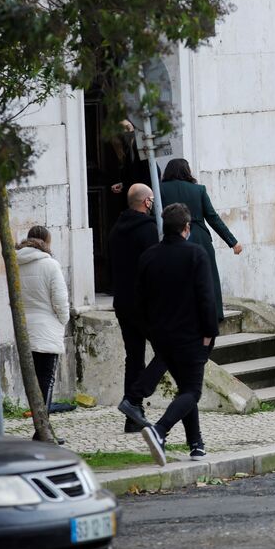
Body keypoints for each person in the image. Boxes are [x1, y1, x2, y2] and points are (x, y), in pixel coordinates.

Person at [128, 204, 219, 466]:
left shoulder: (149, 256)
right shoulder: (196, 254)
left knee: (184, 391)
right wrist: (209, 332)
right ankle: (160, 430)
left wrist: (150, 331)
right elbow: (206, 297)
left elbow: (140, 300)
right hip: (191, 336)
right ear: (186, 227)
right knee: (193, 391)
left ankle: (196, 443)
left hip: (161, 336)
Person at [109, 184, 164, 432]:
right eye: (152, 199)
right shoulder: (148, 229)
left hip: (122, 302)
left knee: (134, 357)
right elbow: (153, 268)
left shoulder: (115, 229)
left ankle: (132, 418)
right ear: (146, 202)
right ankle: (133, 399)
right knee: (169, 349)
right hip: (144, 305)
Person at [160, 159, 243, 322]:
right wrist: (233, 242)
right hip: (199, 237)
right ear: (186, 171)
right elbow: (212, 217)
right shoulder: (198, 190)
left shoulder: (160, 190)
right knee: (207, 276)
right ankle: (213, 313)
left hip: (171, 236)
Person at [16, 226, 70, 442]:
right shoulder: (50, 264)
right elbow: (60, 300)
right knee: (46, 381)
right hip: (46, 327)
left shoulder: (16, 263)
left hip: (25, 328)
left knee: (34, 381)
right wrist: (63, 320)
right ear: (46, 241)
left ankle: (42, 430)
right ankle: (42, 432)